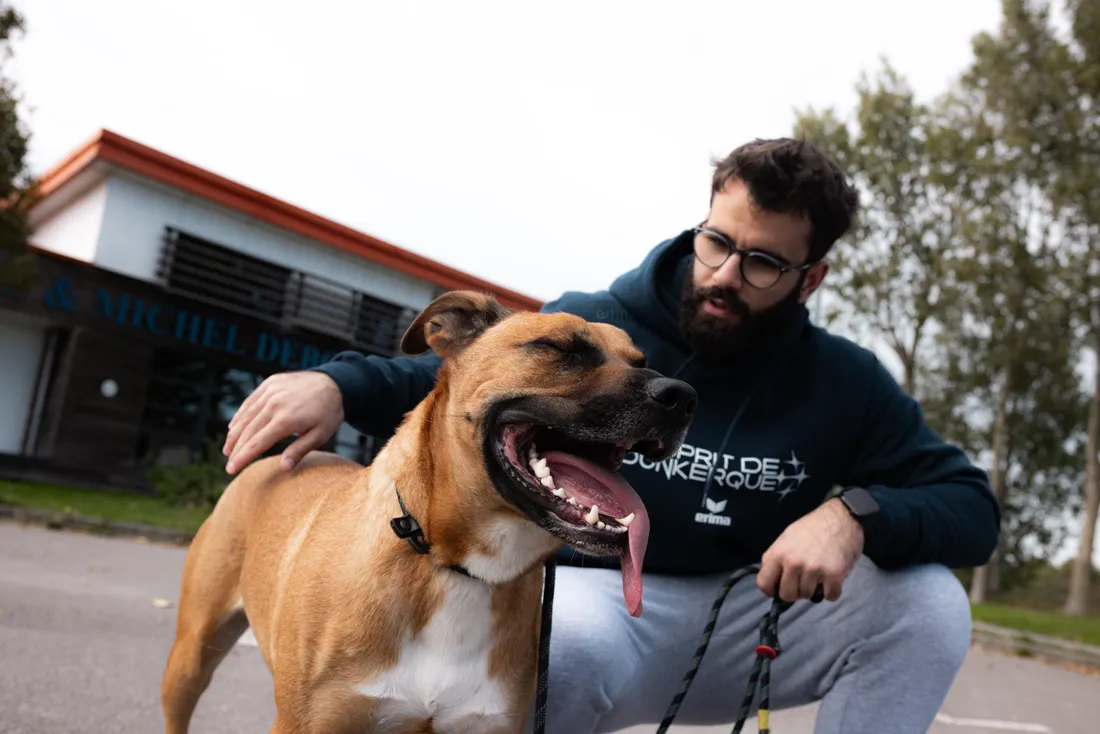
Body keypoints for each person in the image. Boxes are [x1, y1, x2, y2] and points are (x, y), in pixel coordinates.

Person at [221, 137, 1000, 733]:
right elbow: (466, 380)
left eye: (763, 262)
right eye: (717, 241)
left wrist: (853, 514)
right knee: (563, 638)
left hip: (744, 611)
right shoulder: (599, 324)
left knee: (929, 605)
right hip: (599, 610)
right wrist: (336, 384)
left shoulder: (846, 381)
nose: (725, 275)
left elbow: (970, 505)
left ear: (811, 278)